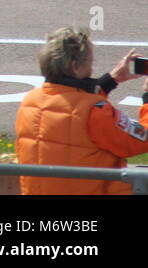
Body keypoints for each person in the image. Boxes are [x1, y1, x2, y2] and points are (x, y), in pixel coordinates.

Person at [15, 25, 148, 194]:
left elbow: (71, 105)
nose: (91, 67)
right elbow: (142, 139)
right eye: (90, 62)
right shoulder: (95, 112)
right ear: (75, 66)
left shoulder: (29, 101)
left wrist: (111, 80)